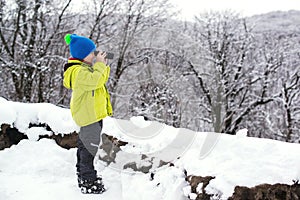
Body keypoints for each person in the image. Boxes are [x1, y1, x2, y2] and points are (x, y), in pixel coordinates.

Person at [63, 33, 113, 194]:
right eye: (92, 52)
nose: (95, 54)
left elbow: (101, 79)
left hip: (93, 115)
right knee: (88, 149)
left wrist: (102, 64)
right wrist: (99, 65)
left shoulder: (85, 68)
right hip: (88, 116)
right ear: (83, 55)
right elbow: (96, 81)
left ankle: (83, 175)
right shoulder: (78, 72)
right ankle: (88, 182)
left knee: (85, 147)